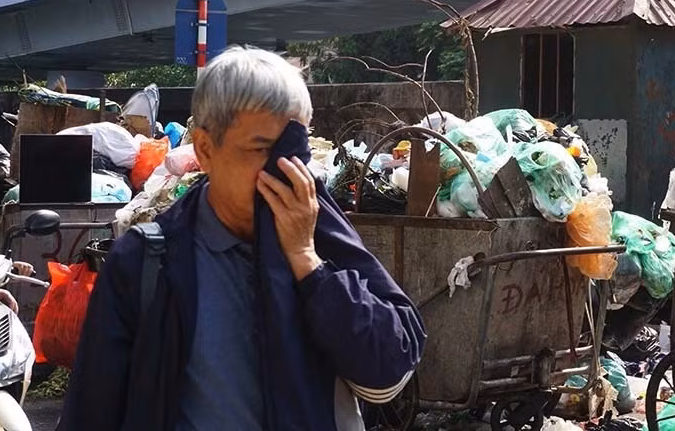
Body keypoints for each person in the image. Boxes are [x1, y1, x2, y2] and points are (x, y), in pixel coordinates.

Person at [58, 47, 426, 431]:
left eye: (294, 150)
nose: (284, 170)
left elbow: (388, 369)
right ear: (205, 149)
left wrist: (308, 262)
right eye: (262, 149)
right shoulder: (147, 261)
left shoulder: (318, 230)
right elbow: (92, 409)